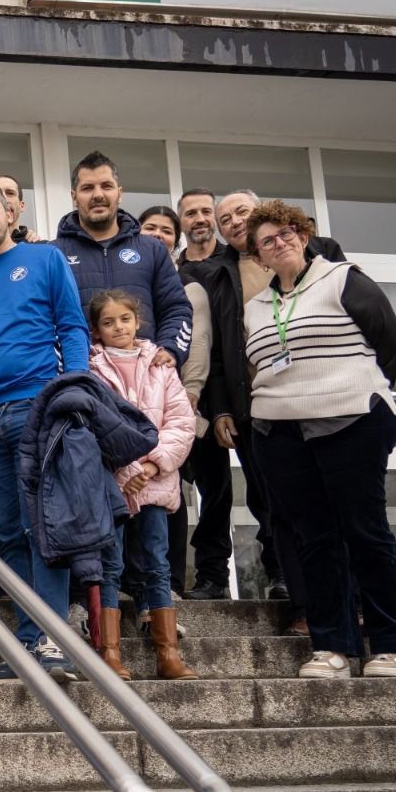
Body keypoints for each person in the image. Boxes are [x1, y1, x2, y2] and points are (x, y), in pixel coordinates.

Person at [242, 201, 396, 679]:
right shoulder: (255, 307)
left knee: (365, 530)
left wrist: (352, 386)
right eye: (267, 241)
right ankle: (332, 648)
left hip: (352, 421)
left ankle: (393, 644)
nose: (279, 243)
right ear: (257, 257)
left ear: (302, 235)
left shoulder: (343, 279)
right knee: (313, 541)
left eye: (286, 234)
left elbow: (392, 345)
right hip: (280, 431)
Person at [0, 181, 88, 682]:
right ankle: (29, 644)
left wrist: (75, 395)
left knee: (42, 528)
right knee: (5, 532)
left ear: (10, 213)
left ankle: (55, 641)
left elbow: (72, 328)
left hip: (38, 407)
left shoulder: (46, 261)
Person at [197, 189, 311, 623]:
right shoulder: (222, 274)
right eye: (225, 220)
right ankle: (287, 582)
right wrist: (223, 408)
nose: (233, 223)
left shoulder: (319, 258)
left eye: (240, 212)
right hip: (256, 403)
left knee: (320, 504)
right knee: (269, 498)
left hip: (315, 399)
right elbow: (222, 353)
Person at [86, 290, 198, 681]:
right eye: (108, 322)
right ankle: (110, 653)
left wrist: (150, 466)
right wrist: (125, 468)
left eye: (125, 319)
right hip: (115, 484)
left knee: (157, 562)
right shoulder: (91, 369)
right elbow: (96, 426)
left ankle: (168, 654)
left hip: (153, 482)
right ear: (96, 331)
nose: (118, 327)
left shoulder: (162, 366)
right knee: (111, 564)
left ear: (138, 321)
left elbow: (181, 423)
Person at [53, 151, 193, 369]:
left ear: (119, 193)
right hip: (82, 383)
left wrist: (170, 348)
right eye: (87, 188)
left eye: (106, 186)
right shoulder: (53, 255)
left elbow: (176, 309)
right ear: (74, 196)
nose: (98, 195)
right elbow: (43, 323)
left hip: (147, 379)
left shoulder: (151, 249)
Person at [139, 203, 212, 600]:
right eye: (149, 228)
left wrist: (190, 395)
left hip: (177, 400)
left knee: (171, 492)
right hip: (137, 401)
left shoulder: (187, 286)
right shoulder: (134, 280)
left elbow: (196, 344)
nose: (157, 235)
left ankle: (171, 581)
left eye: (166, 230)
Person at [175, 188, 234, 601]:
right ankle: (176, 576)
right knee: (173, 491)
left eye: (205, 211)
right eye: (190, 213)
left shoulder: (233, 263)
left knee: (217, 488)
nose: (199, 218)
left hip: (224, 392)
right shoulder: (174, 271)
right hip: (181, 396)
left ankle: (215, 575)